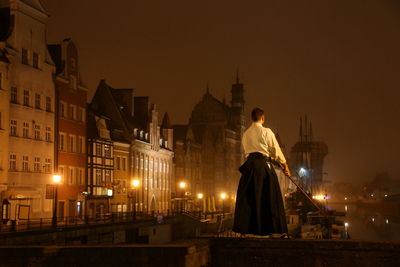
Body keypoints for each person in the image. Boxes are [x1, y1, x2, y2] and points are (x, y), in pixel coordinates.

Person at [232, 107, 290, 237]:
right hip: (263, 166)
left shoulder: (245, 134)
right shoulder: (267, 131)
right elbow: (275, 149)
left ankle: (244, 231)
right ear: (262, 118)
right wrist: (285, 164)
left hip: (249, 167)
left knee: (248, 198)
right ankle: (277, 231)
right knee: (271, 196)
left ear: (252, 118)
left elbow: (247, 150)